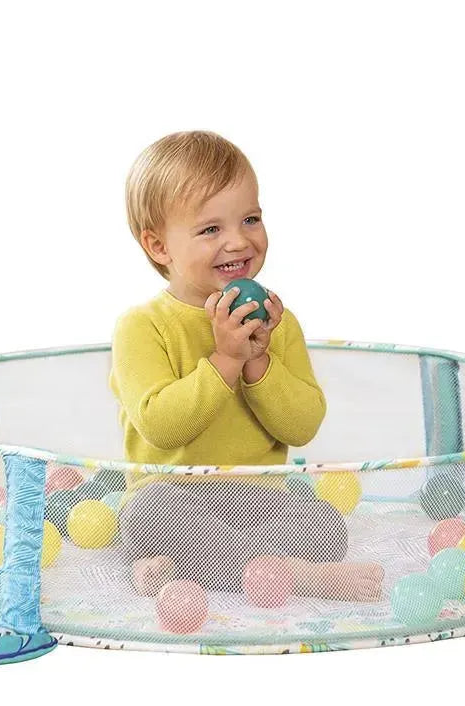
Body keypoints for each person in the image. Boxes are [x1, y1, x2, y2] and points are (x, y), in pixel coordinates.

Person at [110, 130, 383, 601]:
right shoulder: (142, 326)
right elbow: (161, 427)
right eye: (210, 229)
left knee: (323, 523)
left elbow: (302, 427)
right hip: (176, 496)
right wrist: (226, 360)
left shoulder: (277, 321)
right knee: (145, 515)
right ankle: (295, 576)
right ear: (159, 247)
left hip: (261, 497)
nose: (239, 241)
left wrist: (258, 361)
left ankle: (198, 567)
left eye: (250, 219)